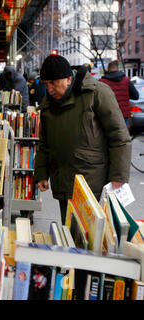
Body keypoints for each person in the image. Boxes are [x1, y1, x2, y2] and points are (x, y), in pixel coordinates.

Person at [34, 54, 131, 223]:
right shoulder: (48, 105)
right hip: (62, 179)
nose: (49, 89)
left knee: (88, 235)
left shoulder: (97, 93)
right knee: (69, 231)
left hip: (91, 180)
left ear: (68, 79)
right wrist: (41, 173)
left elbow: (119, 137)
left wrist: (118, 177)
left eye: (53, 83)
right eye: (45, 84)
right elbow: (45, 143)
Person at [99, 60, 139, 126]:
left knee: (108, 135)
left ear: (108, 69)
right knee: (122, 135)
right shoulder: (126, 80)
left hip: (107, 115)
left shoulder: (101, 82)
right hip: (123, 115)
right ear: (117, 68)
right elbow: (136, 96)